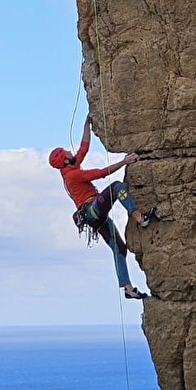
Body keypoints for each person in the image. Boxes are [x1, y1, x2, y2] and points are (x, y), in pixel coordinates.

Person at [49, 114, 156, 300]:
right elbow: (100, 173)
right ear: (64, 160)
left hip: (94, 216)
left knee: (119, 249)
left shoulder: (71, 167)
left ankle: (128, 289)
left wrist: (86, 124)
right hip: (92, 210)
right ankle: (140, 218)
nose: (68, 151)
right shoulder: (72, 176)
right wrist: (124, 162)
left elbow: (84, 147)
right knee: (116, 187)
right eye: (65, 152)